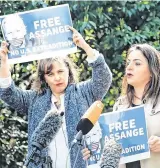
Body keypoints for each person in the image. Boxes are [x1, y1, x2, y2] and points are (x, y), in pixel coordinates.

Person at [0, 26, 112, 168]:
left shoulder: (83, 92)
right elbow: (8, 93)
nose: (57, 78)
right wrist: (4, 62)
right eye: (50, 74)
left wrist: (84, 46)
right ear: (44, 78)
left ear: (68, 72)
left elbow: (103, 79)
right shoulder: (35, 99)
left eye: (60, 71)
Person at [82, 43, 160, 168]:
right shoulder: (120, 105)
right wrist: (95, 153)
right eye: (128, 63)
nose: (129, 68)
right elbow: (115, 145)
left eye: (137, 63)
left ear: (153, 70)